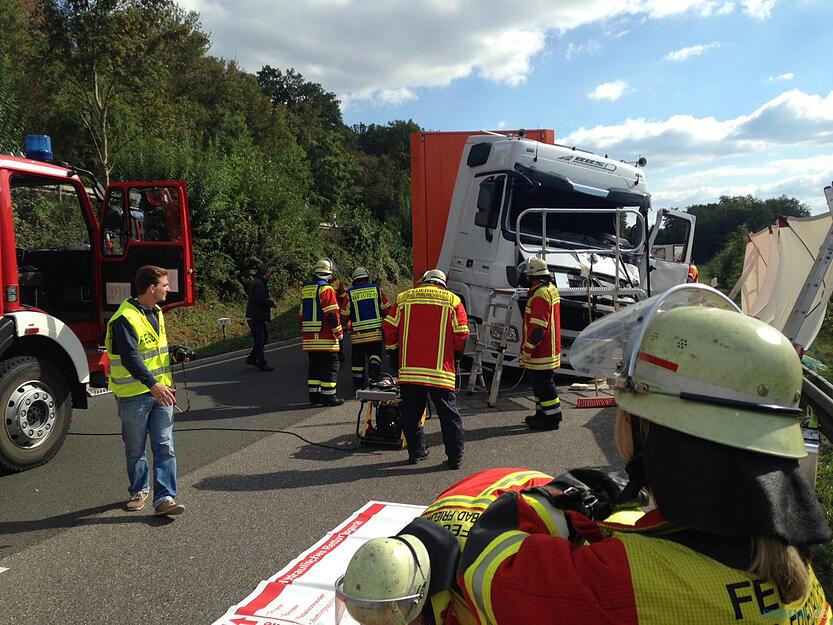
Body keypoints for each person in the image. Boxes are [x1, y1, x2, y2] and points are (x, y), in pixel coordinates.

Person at [339, 285, 831, 624]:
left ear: (654, 436)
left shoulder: (619, 582)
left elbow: (491, 571)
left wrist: (533, 505)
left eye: (627, 403)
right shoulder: (801, 579)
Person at [105, 265, 184, 516]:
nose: (168, 289)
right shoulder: (124, 318)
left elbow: (153, 351)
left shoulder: (156, 311)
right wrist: (153, 384)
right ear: (152, 288)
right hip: (135, 396)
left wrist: (175, 354)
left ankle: (165, 498)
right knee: (135, 449)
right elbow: (130, 358)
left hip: (161, 392)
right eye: (165, 285)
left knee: (164, 445)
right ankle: (139, 490)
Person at [383, 269, 469, 468]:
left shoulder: (403, 298)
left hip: (411, 371)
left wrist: (393, 353)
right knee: (449, 416)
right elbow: (462, 333)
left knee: (411, 414)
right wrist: (456, 355)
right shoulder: (453, 301)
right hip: (441, 372)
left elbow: (389, 327)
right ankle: (454, 458)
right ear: (442, 283)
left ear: (425, 281)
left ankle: (416, 452)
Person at [520, 257, 562, 431]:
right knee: (539, 386)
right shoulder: (549, 289)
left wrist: (528, 348)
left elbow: (538, 328)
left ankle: (552, 418)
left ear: (533, 277)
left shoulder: (540, 294)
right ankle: (542, 414)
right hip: (548, 348)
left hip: (541, 352)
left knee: (544, 386)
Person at [300, 259, 345, 406]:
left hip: (309, 339)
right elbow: (332, 314)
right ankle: (329, 397)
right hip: (326, 339)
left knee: (314, 368)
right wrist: (339, 333)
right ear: (328, 274)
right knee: (331, 367)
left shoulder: (306, 289)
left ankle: (315, 397)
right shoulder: (327, 289)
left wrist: (305, 333)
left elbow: (301, 315)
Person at [341, 266, 391, 390]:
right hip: (375, 334)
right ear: (367, 277)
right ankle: (374, 374)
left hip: (358, 336)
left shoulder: (350, 294)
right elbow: (387, 309)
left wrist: (345, 326)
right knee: (375, 355)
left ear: (354, 280)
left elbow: (344, 314)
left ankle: (358, 383)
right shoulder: (377, 290)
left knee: (357, 361)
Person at [245, 264, 276, 372]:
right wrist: (271, 302)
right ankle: (261, 363)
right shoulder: (259, 284)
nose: (270, 275)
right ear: (264, 274)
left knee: (263, 338)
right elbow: (260, 300)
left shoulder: (260, 283)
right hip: (255, 317)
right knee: (260, 339)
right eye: (269, 273)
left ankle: (252, 358)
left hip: (257, 316)